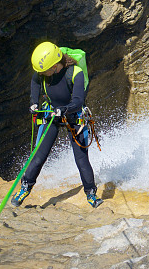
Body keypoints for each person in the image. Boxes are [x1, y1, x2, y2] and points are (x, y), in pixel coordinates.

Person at [12, 42, 102, 208]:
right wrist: (34, 102)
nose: (41, 74)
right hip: (52, 114)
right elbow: (35, 81)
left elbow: (78, 100)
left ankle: (91, 193)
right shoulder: (43, 74)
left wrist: (64, 109)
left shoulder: (76, 73)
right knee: (39, 156)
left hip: (74, 116)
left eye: (44, 70)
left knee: (81, 159)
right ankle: (25, 187)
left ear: (54, 66)